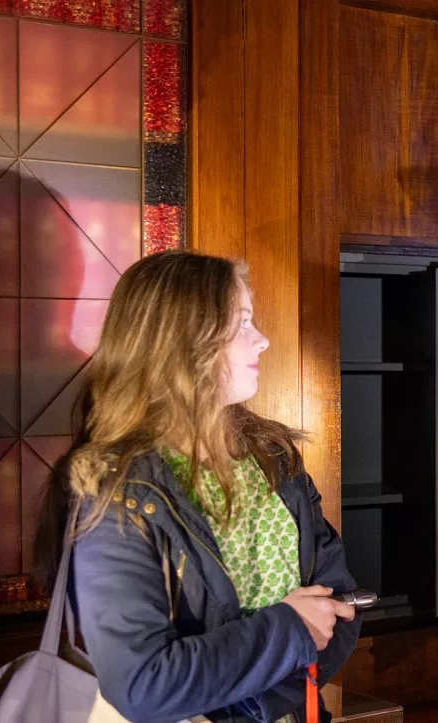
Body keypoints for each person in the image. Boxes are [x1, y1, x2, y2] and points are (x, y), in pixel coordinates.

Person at [38, 251, 359, 723]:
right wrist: (288, 633)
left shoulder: (272, 458)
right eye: (242, 324)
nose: (263, 340)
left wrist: (262, 701)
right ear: (182, 342)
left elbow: (341, 606)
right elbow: (143, 684)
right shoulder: (116, 491)